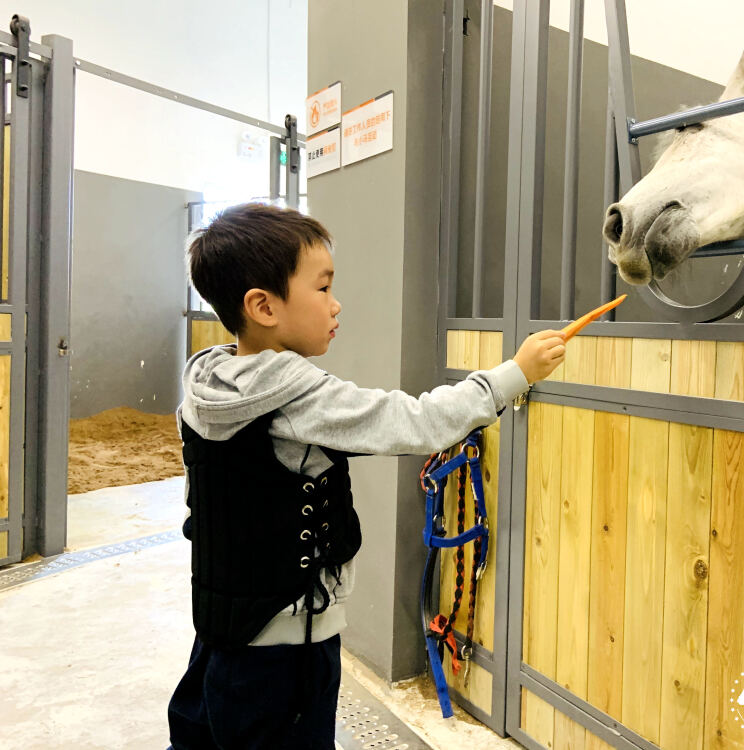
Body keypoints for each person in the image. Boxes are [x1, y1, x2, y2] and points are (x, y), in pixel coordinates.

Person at [166, 202, 566, 749]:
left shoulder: (205, 384)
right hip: (289, 650)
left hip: (219, 636)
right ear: (262, 306)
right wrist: (512, 375)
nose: (336, 304)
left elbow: (202, 507)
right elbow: (415, 421)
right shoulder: (298, 395)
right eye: (323, 288)